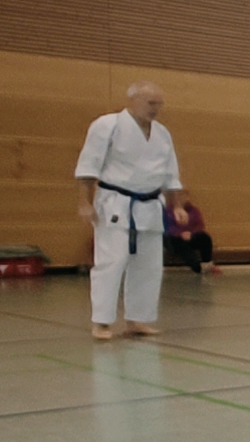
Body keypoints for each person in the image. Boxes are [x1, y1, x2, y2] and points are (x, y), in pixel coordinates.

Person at [75, 81, 187, 340]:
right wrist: (84, 201)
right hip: (116, 202)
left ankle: (138, 320)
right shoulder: (108, 125)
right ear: (133, 100)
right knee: (111, 262)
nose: (155, 109)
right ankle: (101, 322)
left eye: (159, 104)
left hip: (150, 206)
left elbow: (171, 174)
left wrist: (177, 205)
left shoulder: (162, 133)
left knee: (149, 266)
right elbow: (88, 165)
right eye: (151, 103)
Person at [164, 198, 216, 275]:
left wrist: (191, 233)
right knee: (178, 244)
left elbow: (199, 225)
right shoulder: (168, 211)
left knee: (204, 237)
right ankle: (197, 267)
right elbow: (167, 228)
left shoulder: (193, 210)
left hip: (190, 236)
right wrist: (180, 233)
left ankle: (207, 263)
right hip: (174, 239)